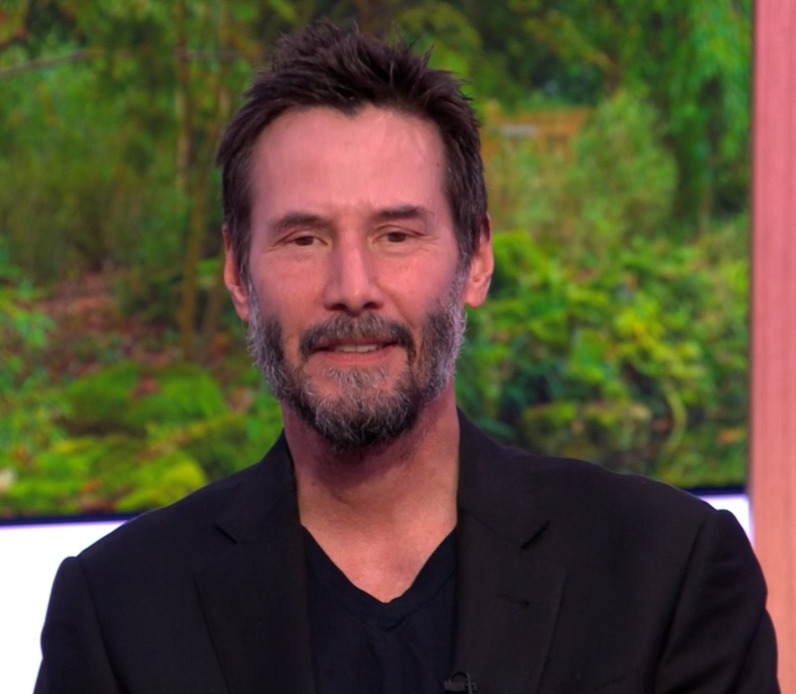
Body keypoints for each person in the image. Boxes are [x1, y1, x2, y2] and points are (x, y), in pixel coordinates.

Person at [35, 21, 778, 694]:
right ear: (237, 273)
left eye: (396, 235)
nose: (352, 289)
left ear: (476, 257)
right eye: (304, 239)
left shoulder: (668, 573)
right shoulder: (119, 612)